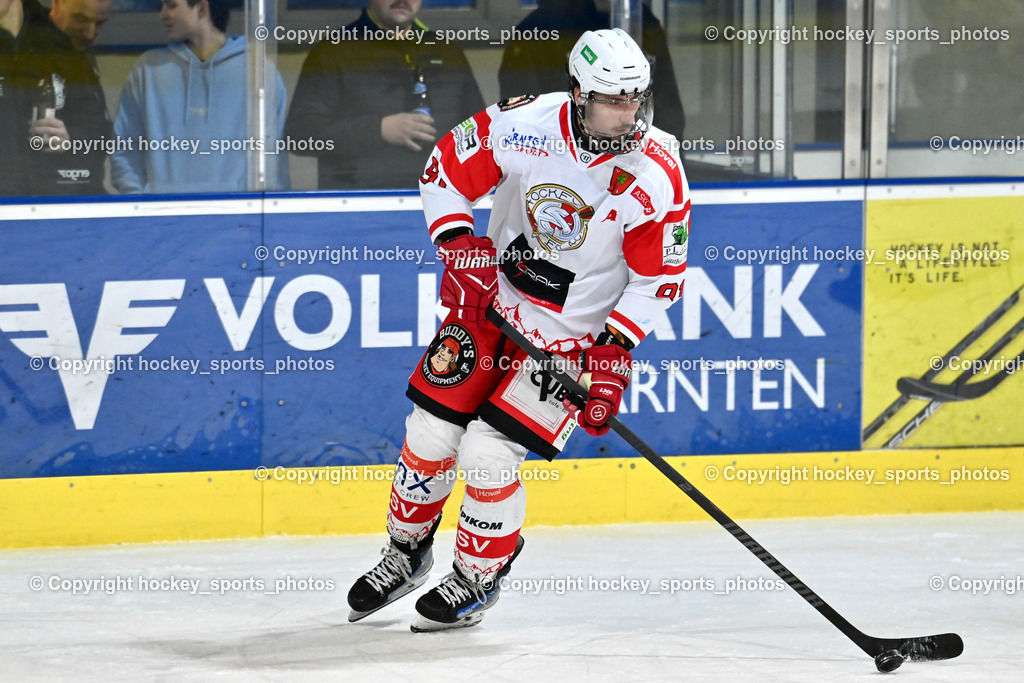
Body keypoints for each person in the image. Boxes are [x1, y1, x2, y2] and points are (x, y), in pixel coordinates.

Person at [347, 28, 690, 632]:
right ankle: (405, 552)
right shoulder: (525, 124)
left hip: (568, 341)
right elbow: (444, 171)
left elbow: (657, 279)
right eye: (614, 101)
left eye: (637, 98)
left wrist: (612, 352)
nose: (629, 113)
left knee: (486, 451)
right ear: (578, 95)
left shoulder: (656, 170)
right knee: (429, 433)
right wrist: (461, 244)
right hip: (490, 307)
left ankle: (478, 576)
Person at [284, 0, 485, 189]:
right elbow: (301, 135)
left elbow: (481, 132)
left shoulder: (447, 51)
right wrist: (378, 130)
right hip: (360, 208)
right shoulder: (333, 52)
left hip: (442, 204)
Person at [111, 0, 288, 193]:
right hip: (161, 218)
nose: (162, 14)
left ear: (202, 8)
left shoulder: (259, 73)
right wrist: (142, 206)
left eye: (171, 5)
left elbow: (273, 161)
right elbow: (124, 150)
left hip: (237, 219)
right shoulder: (147, 70)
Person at [499, 0, 685, 142]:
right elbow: (521, 119)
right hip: (563, 169)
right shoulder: (538, 30)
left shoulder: (641, 22)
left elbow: (668, 111)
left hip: (634, 164)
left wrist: (665, 163)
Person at [0, 0, 110, 196]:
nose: (89, 33)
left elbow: (96, 132)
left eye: (99, 24)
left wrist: (70, 140)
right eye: (81, 19)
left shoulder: (57, 39)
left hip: (57, 205)